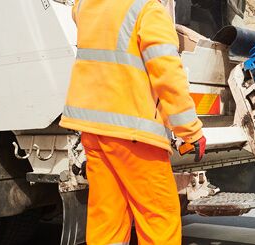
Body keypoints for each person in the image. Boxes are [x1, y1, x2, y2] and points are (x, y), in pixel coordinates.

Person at [60, 0, 206, 244]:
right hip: (134, 133)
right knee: (158, 217)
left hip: (94, 129)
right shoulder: (147, 10)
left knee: (108, 218)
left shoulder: (86, 5)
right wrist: (190, 131)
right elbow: (168, 77)